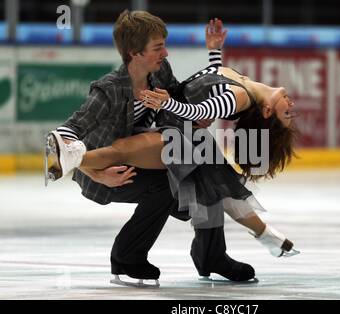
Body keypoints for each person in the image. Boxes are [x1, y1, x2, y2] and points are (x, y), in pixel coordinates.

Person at [46, 39, 301, 279]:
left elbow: (200, 111)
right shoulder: (241, 83)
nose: (292, 107)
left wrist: (167, 103)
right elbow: (213, 77)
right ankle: (221, 252)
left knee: (128, 151)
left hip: (178, 135)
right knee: (213, 185)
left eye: (287, 114)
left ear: (267, 111)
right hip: (176, 132)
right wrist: (215, 51)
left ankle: (71, 158)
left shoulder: (240, 97)